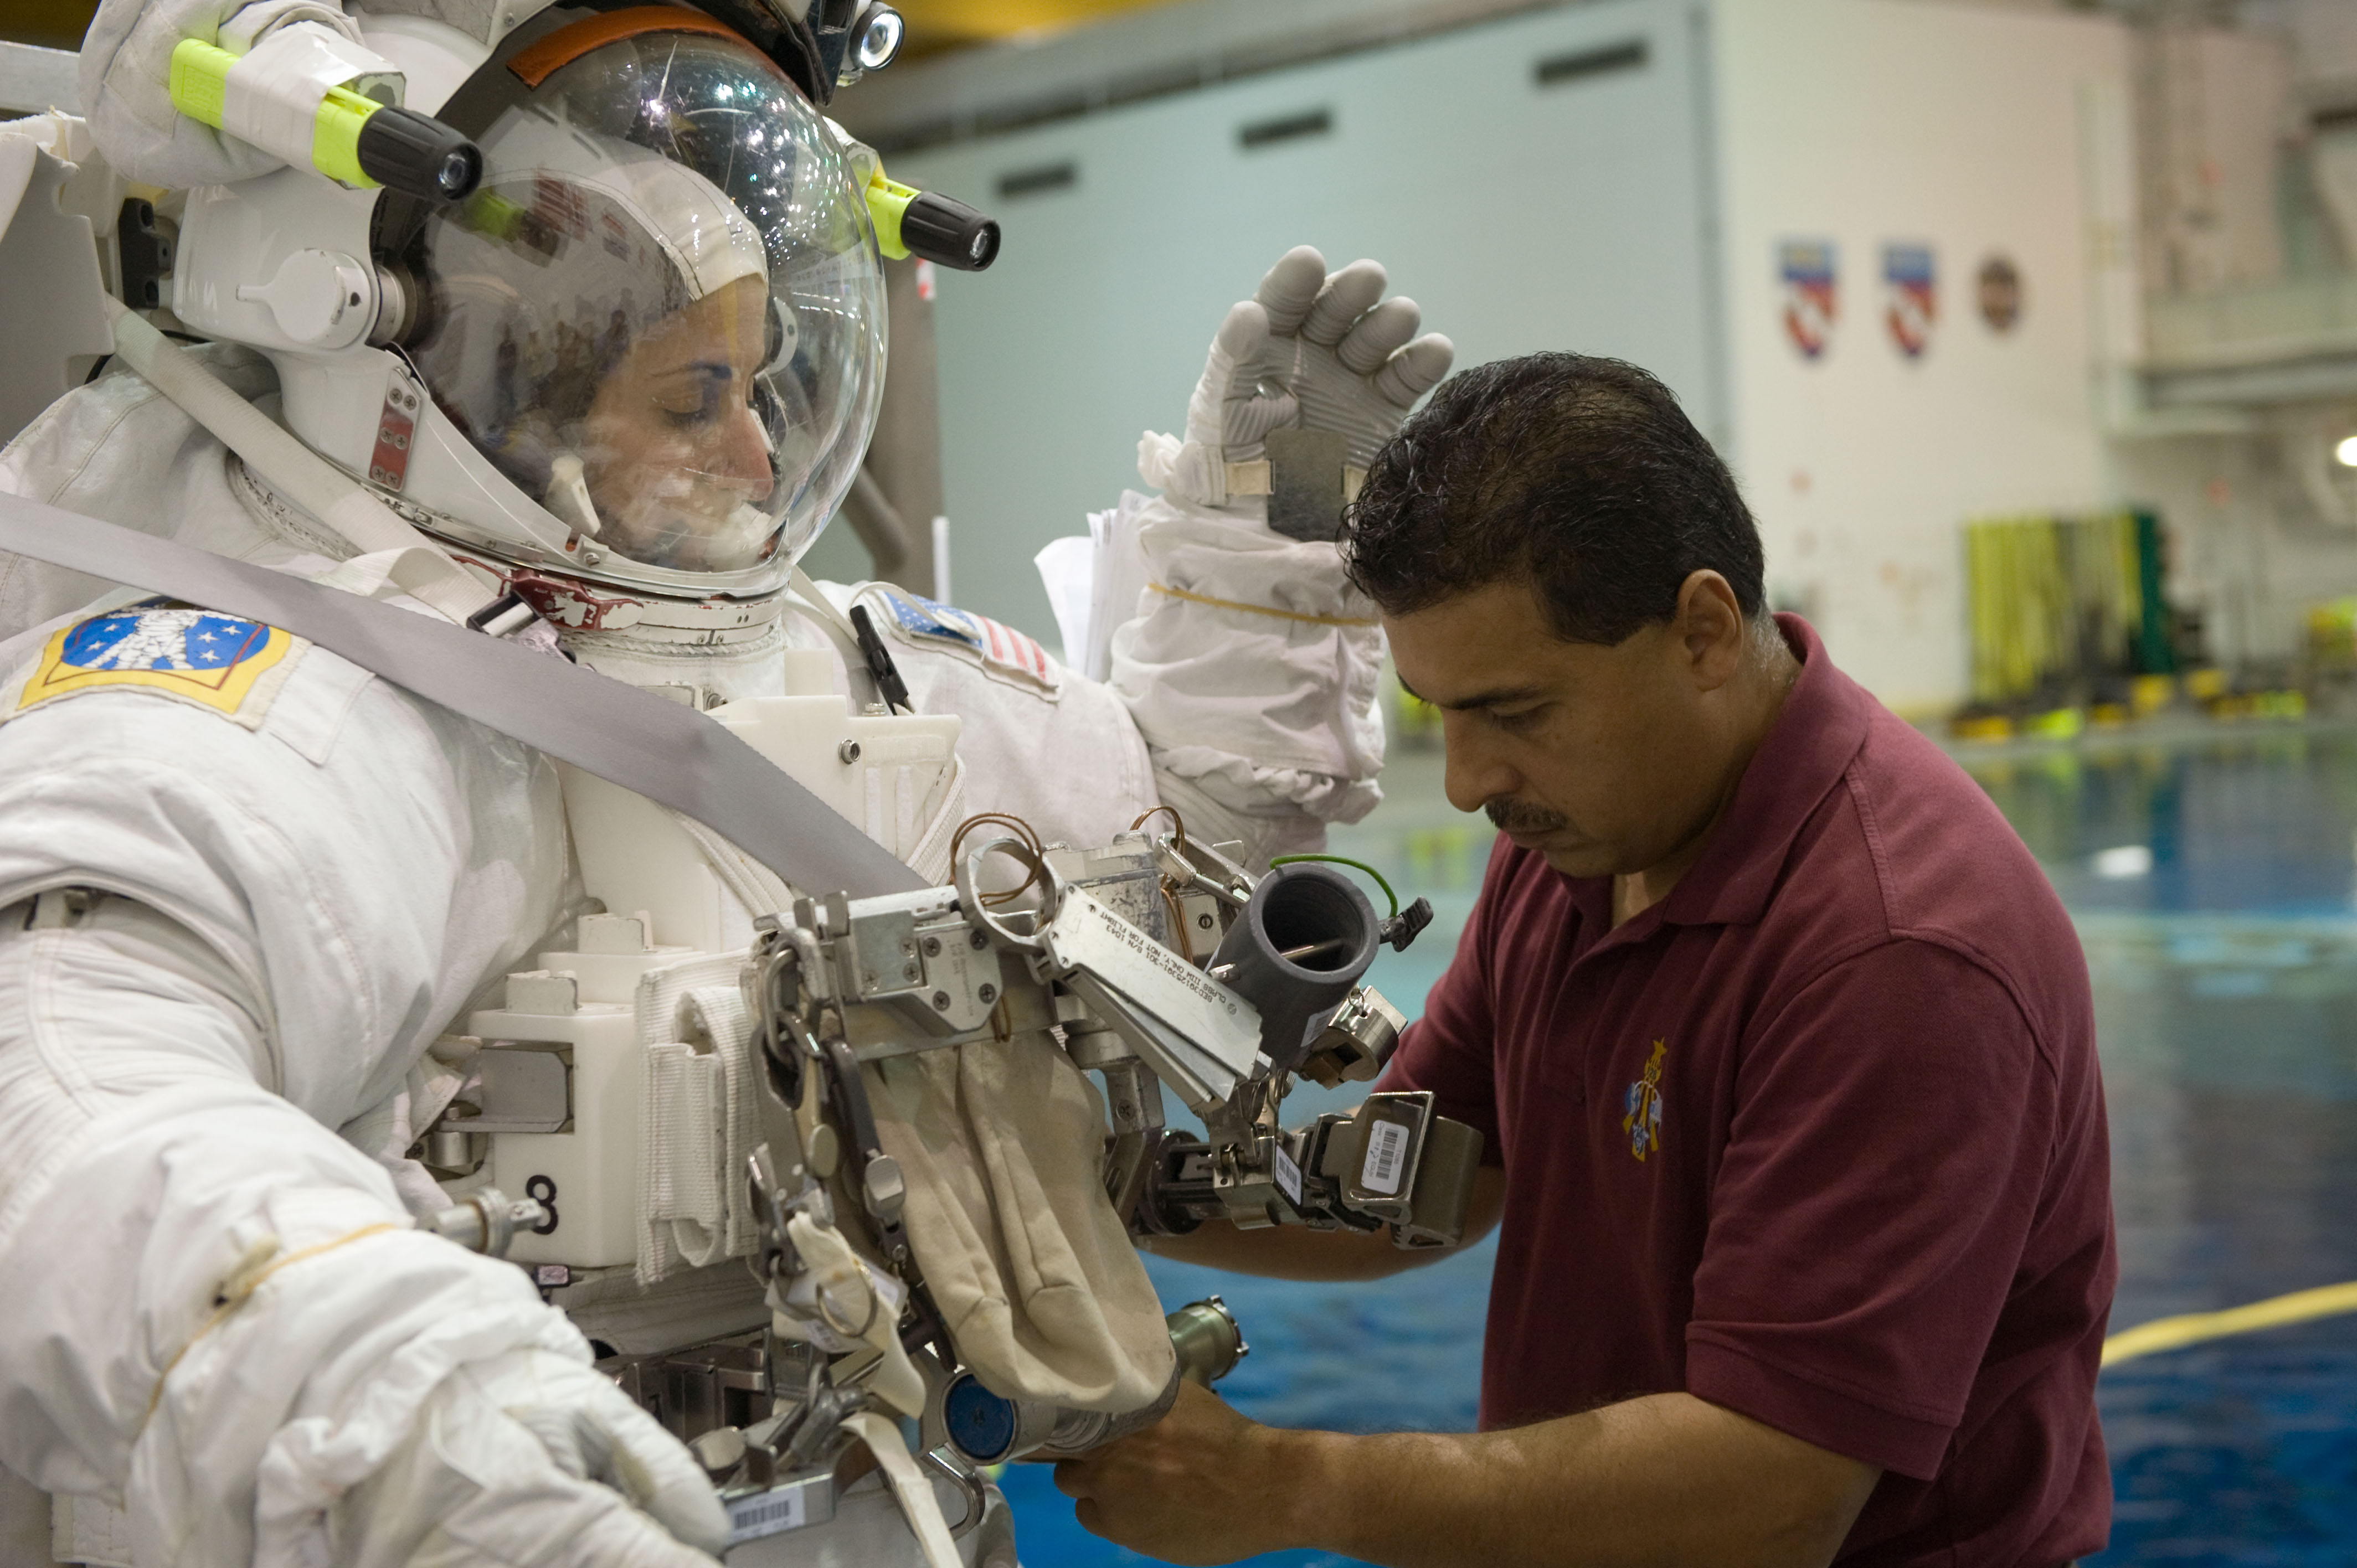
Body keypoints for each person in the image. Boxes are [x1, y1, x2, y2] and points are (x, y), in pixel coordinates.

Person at [0, 0, 1454, 1561]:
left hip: (872, 1494)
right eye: (693, 401)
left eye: (761, 391)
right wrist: (424, 1441)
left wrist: (1256, 573)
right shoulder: (280, 699)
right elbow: (80, 1109)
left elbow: (1161, 885)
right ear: (468, 382)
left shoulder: (847, 659)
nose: (762, 461)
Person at [1054, 352, 2116, 1567]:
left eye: (1514, 713)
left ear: (1703, 630)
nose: (1465, 784)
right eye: (1438, 715)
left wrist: (1291, 1488)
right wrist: (1075, 1178)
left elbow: (1772, 1494)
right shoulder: (1584, 842)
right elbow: (1420, 1181)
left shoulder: (1899, 956)